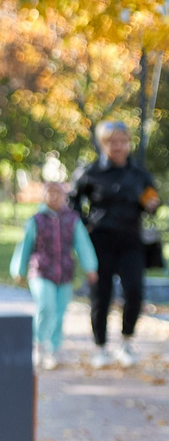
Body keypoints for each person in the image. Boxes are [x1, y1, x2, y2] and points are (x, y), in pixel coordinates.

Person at [71, 120, 160, 367]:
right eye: (112, 142)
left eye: (122, 141)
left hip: (131, 240)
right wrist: (85, 223)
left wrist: (152, 204)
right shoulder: (91, 172)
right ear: (103, 144)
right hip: (101, 240)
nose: (118, 146)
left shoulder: (139, 174)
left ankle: (126, 342)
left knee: (134, 291)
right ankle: (100, 346)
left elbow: (152, 200)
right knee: (101, 295)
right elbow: (72, 201)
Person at [11, 179, 96, 372]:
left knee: (59, 312)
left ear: (65, 196)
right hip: (41, 271)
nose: (55, 197)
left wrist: (90, 267)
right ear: (44, 195)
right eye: (51, 192)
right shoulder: (36, 220)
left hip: (64, 273)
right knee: (45, 306)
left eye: (59, 193)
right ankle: (39, 343)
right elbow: (25, 245)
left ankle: (53, 348)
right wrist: (19, 269)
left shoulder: (72, 220)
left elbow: (82, 244)